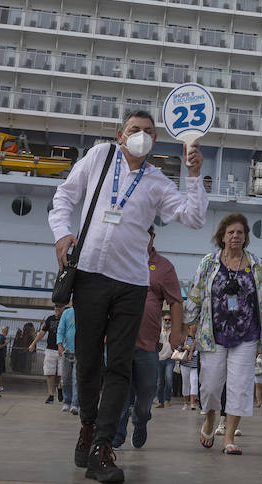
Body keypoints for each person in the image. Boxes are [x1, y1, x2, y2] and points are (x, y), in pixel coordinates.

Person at [48, 110, 207, 483]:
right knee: (88, 361)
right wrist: (61, 233)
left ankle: (103, 446)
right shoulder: (99, 156)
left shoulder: (155, 181)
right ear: (121, 134)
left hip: (132, 284)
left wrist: (195, 176)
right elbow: (65, 195)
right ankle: (88, 427)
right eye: (135, 130)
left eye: (149, 132)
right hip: (88, 275)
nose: (142, 136)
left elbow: (194, 218)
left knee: (119, 365)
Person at [184, 212, 262, 456]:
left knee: (240, 386)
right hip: (213, 334)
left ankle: (230, 437)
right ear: (222, 236)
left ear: (246, 237)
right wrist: (190, 323)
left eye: (240, 232)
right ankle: (211, 419)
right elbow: (195, 291)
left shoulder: (255, 263)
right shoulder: (209, 262)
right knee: (211, 386)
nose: (235, 236)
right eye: (231, 232)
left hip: (246, 334)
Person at [112, 224, 183, 449]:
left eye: (145, 234)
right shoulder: (118, 261)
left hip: (148, 346)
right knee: (119, 394)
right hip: (119, 342)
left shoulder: (164, 267)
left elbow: (175, 301)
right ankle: (118, 432)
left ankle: (141, 421)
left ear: (152, 237)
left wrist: (175, 335)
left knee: (144, 397)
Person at [30, 304, 67, 405]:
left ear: (64, 308)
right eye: (56, 306)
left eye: (60, 307)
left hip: (64, 349)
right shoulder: (50, 319)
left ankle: (60, 387)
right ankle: (51, 395)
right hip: (50, 349)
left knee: (63, 373)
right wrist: (33, 343)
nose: (57, 308)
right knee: (49, 373)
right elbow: (42, 333)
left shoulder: (67, 318)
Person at [58, 302, 78, 413]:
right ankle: (67, 401)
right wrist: (59, 345)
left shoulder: (86, 312)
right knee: (65, 379)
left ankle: (75, 404)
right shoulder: (67, 313)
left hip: (79, 352)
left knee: (76, 379)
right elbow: (60, 330)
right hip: (67, 351)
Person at [156, 314, 175, 408]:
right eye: (165, 320)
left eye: (169, 320)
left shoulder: (173, 332)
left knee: (169, 379)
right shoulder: (159, 331)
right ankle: (160, 400)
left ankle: (167, 399)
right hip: (159, 358)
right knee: (159, 381)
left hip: (169, 359)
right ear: (162, 320)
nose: (167, 321)